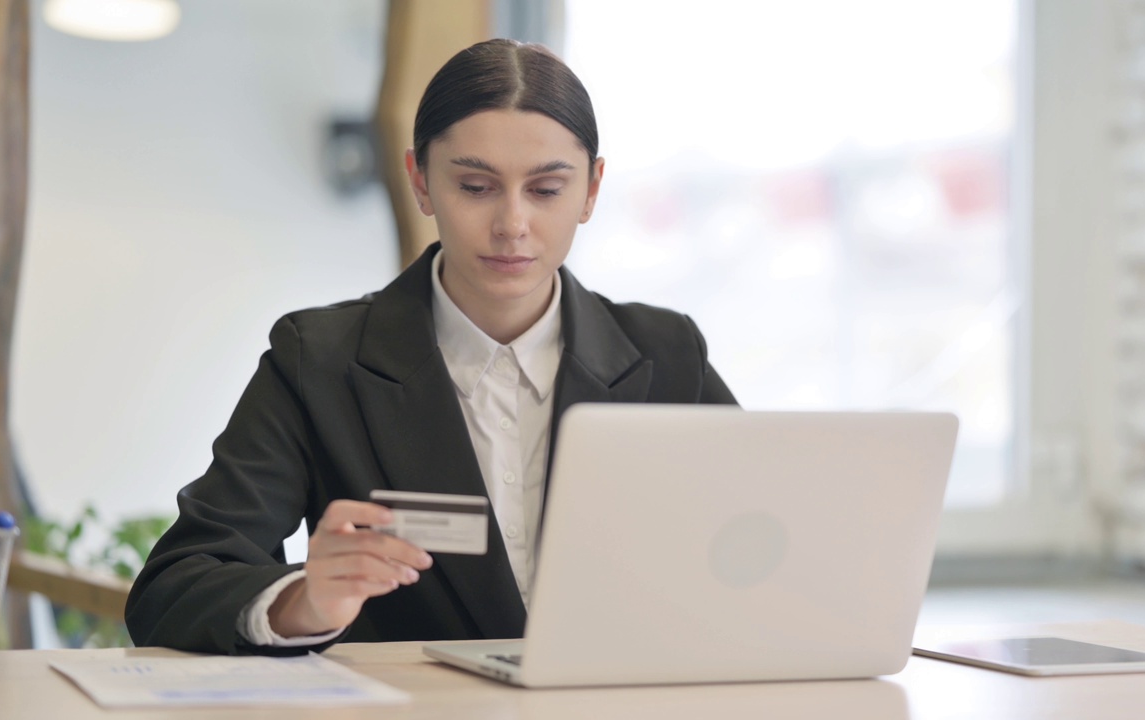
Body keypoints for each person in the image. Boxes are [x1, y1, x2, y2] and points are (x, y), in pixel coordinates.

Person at [125, 38, 736, 656]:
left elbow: (766, 547)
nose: (512, 224)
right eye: (475, 186)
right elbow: (172, 588)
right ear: (419, 180)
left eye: (547, 190)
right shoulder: (319, 361)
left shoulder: (669, 356)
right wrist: (304, 600)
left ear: (592, 189)